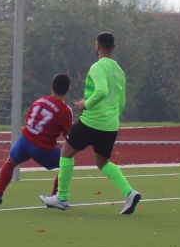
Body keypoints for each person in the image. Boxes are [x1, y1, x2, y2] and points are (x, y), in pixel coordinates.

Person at [40, 32, 141, 214]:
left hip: (92, 121)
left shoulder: (97, 67)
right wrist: (113, 118)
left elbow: (101, 91)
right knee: (102, 163)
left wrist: (84, 104)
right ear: (113, 47)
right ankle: (130, 193)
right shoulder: (119, 71)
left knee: (66, 153)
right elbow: (121, 102)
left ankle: (61, 197)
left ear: (97, 45)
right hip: (110, 125)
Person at [0, 73, 73, 208]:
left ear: (51, 87)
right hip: (42, 148)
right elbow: (68, 135)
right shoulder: (65, 110)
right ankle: (55, 197)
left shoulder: (39, 101)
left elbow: (29, 118)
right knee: (67, 164)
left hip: (24, 141)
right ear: (68, 89)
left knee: (10, 162)